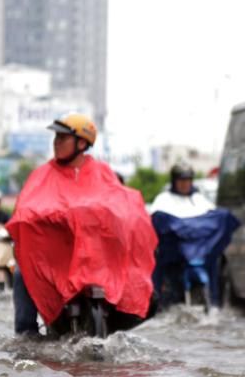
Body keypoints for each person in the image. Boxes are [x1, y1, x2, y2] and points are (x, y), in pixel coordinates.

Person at [8, 113, 158, 335]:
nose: (56, 142)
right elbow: (25, 212)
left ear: (82, 142)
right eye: (56, 137)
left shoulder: (103, 172)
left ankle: (118, 319)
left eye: (63, 137)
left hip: (95, 256)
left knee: (142, 284)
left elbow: (121, 205)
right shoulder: (41, 175)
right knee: (21, 272)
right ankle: (25, 332)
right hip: (53, 254)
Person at [147, 163, 216, 216]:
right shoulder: (163, 199)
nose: (185, 183)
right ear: (174, 181)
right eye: (181, 179)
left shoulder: (200, 199)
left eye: (188, 179)